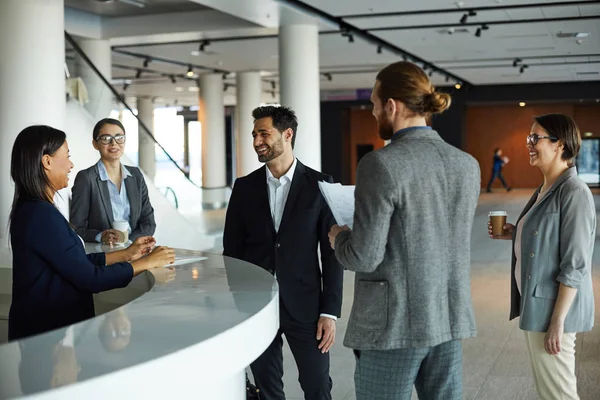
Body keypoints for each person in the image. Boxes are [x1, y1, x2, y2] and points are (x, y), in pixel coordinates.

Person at [328, 61, 481, 400]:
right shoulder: (467, 165)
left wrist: (339, 236)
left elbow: (364, 256)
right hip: (447, 318)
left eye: (373, 104)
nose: (372, 112)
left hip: (393, 324)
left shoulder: (380, 163)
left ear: (392, 106)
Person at [8, 125, 175, 341]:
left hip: (45, 331)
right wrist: (146, 263)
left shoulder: (34, 209)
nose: (71, 165)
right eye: (67, 156)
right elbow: (90, 278)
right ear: (47, 162)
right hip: (46, 336)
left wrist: (127, 254)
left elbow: (73, 261)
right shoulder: (41, 215)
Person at [223, 106, 344, 400]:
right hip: (257, 305)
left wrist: (330, 312)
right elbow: (232, 252)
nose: (256, 141)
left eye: (264, 133)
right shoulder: (244, 188)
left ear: (287, 134)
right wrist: (240, 304)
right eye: (254, 134)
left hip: (306, 307)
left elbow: (332, 254)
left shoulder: (320, 184)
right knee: (267, 389)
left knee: (317, 386)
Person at [488, 114, 594, 400]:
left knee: (558, 393)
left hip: (552, 312)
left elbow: (575, 264)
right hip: (538, 307)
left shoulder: (573, 192)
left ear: (559, 144)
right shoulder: (547, 188)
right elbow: (547, 236)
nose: (529, 144)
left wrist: (557, 322)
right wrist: (515, 233)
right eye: (528, 138)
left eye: (536, 138)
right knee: (550, 390)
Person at [70, 118, 156, 244]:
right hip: (105, 254)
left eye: (119, 137)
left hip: (135, 250)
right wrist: (101, 236)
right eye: (106, 138)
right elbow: (76, 228)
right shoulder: (86, 178)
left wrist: (128, 242)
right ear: (95, 143)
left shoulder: (136, 175)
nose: (114, 143)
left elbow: (149, 223)